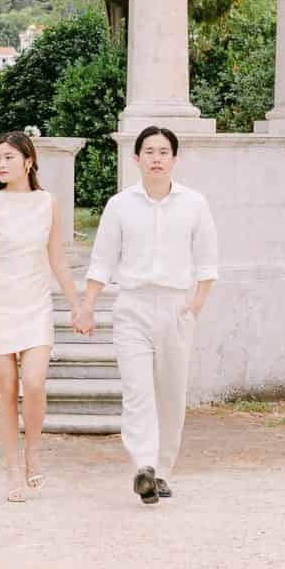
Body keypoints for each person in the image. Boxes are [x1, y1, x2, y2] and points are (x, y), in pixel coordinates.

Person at [77, 126, 218, 506]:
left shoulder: (194, 204)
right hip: (132, 307)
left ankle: (164, 471)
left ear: (174, 158)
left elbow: (207, 262)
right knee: (137, 392)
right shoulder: (120, 205)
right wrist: (88, 305)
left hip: (175, 308)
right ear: (136, 157)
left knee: (171, 394)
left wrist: (196, 304)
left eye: (163, 151)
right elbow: (102, 261)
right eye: (149, 151)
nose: (156, 158)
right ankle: (144, 466)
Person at [0, 129, 92, 501]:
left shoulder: (46, 202)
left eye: (8, 158)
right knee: (6, 390)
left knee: (34, 383)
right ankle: (13, 469)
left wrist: (77, 303)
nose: (1, 165)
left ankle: (33, 451)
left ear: (28, 161)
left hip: (36, 306)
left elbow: (57, 258)